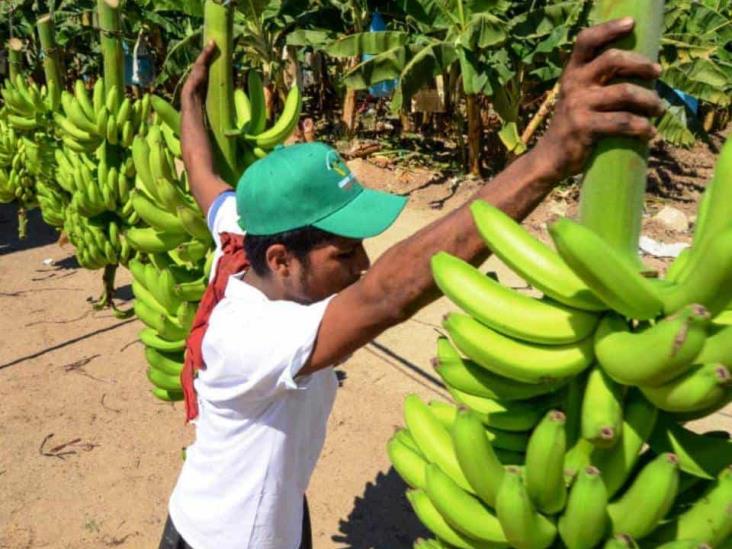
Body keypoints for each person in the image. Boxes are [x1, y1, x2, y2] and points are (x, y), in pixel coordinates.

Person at [160, 17, 664, 549]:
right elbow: (388, 295)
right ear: (282, 259)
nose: (361, 264)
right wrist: (551, 156)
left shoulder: (244, 234)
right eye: (345, 251)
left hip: (274, 511)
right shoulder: (252, 337)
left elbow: (202, 174)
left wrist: (191, 101)